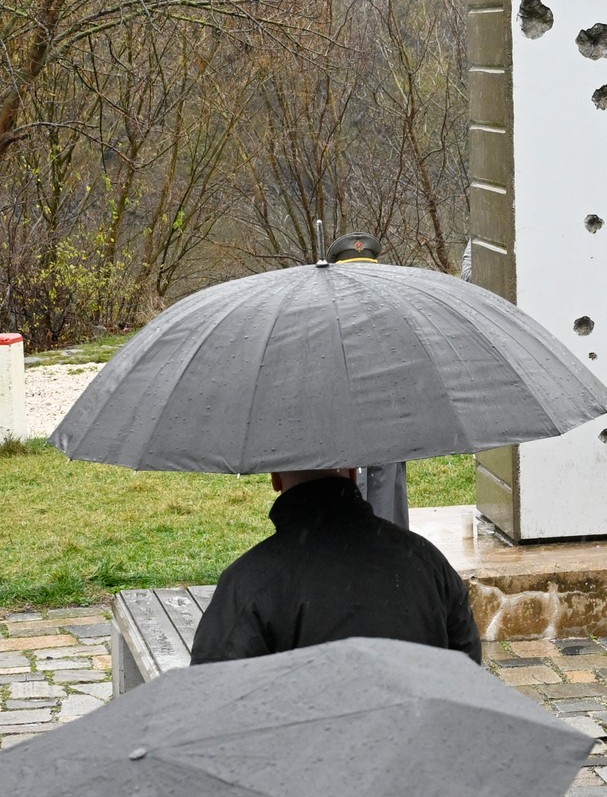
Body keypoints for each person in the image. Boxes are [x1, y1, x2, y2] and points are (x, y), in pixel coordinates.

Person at [190, 468, 480, 665]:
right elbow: (466, 667)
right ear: (353, 473)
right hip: (419, 736)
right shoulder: (427, 562)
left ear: (275, 479)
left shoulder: (248, 584)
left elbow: (214, 695)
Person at [328, 231, 407, 529]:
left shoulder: (393, 307)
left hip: (386, 412)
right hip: (344, 414)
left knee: (387, 493)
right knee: (350, 489)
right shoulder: (325, 311)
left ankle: (387, 548)